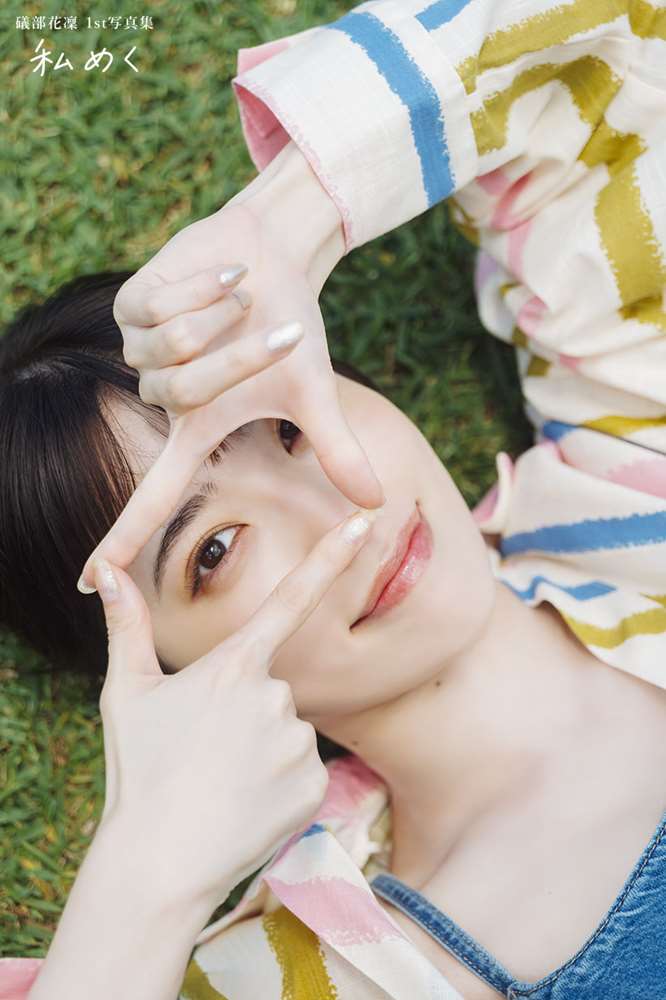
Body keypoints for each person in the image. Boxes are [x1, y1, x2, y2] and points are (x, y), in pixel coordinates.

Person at [2, 0, 666, 997]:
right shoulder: (314, 975)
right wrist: (145, 884)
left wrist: (288, 216)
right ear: (158, 676)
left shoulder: (641, 444)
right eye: (214, 550)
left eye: (284, 423)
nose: (339, 513)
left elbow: (613, 45)